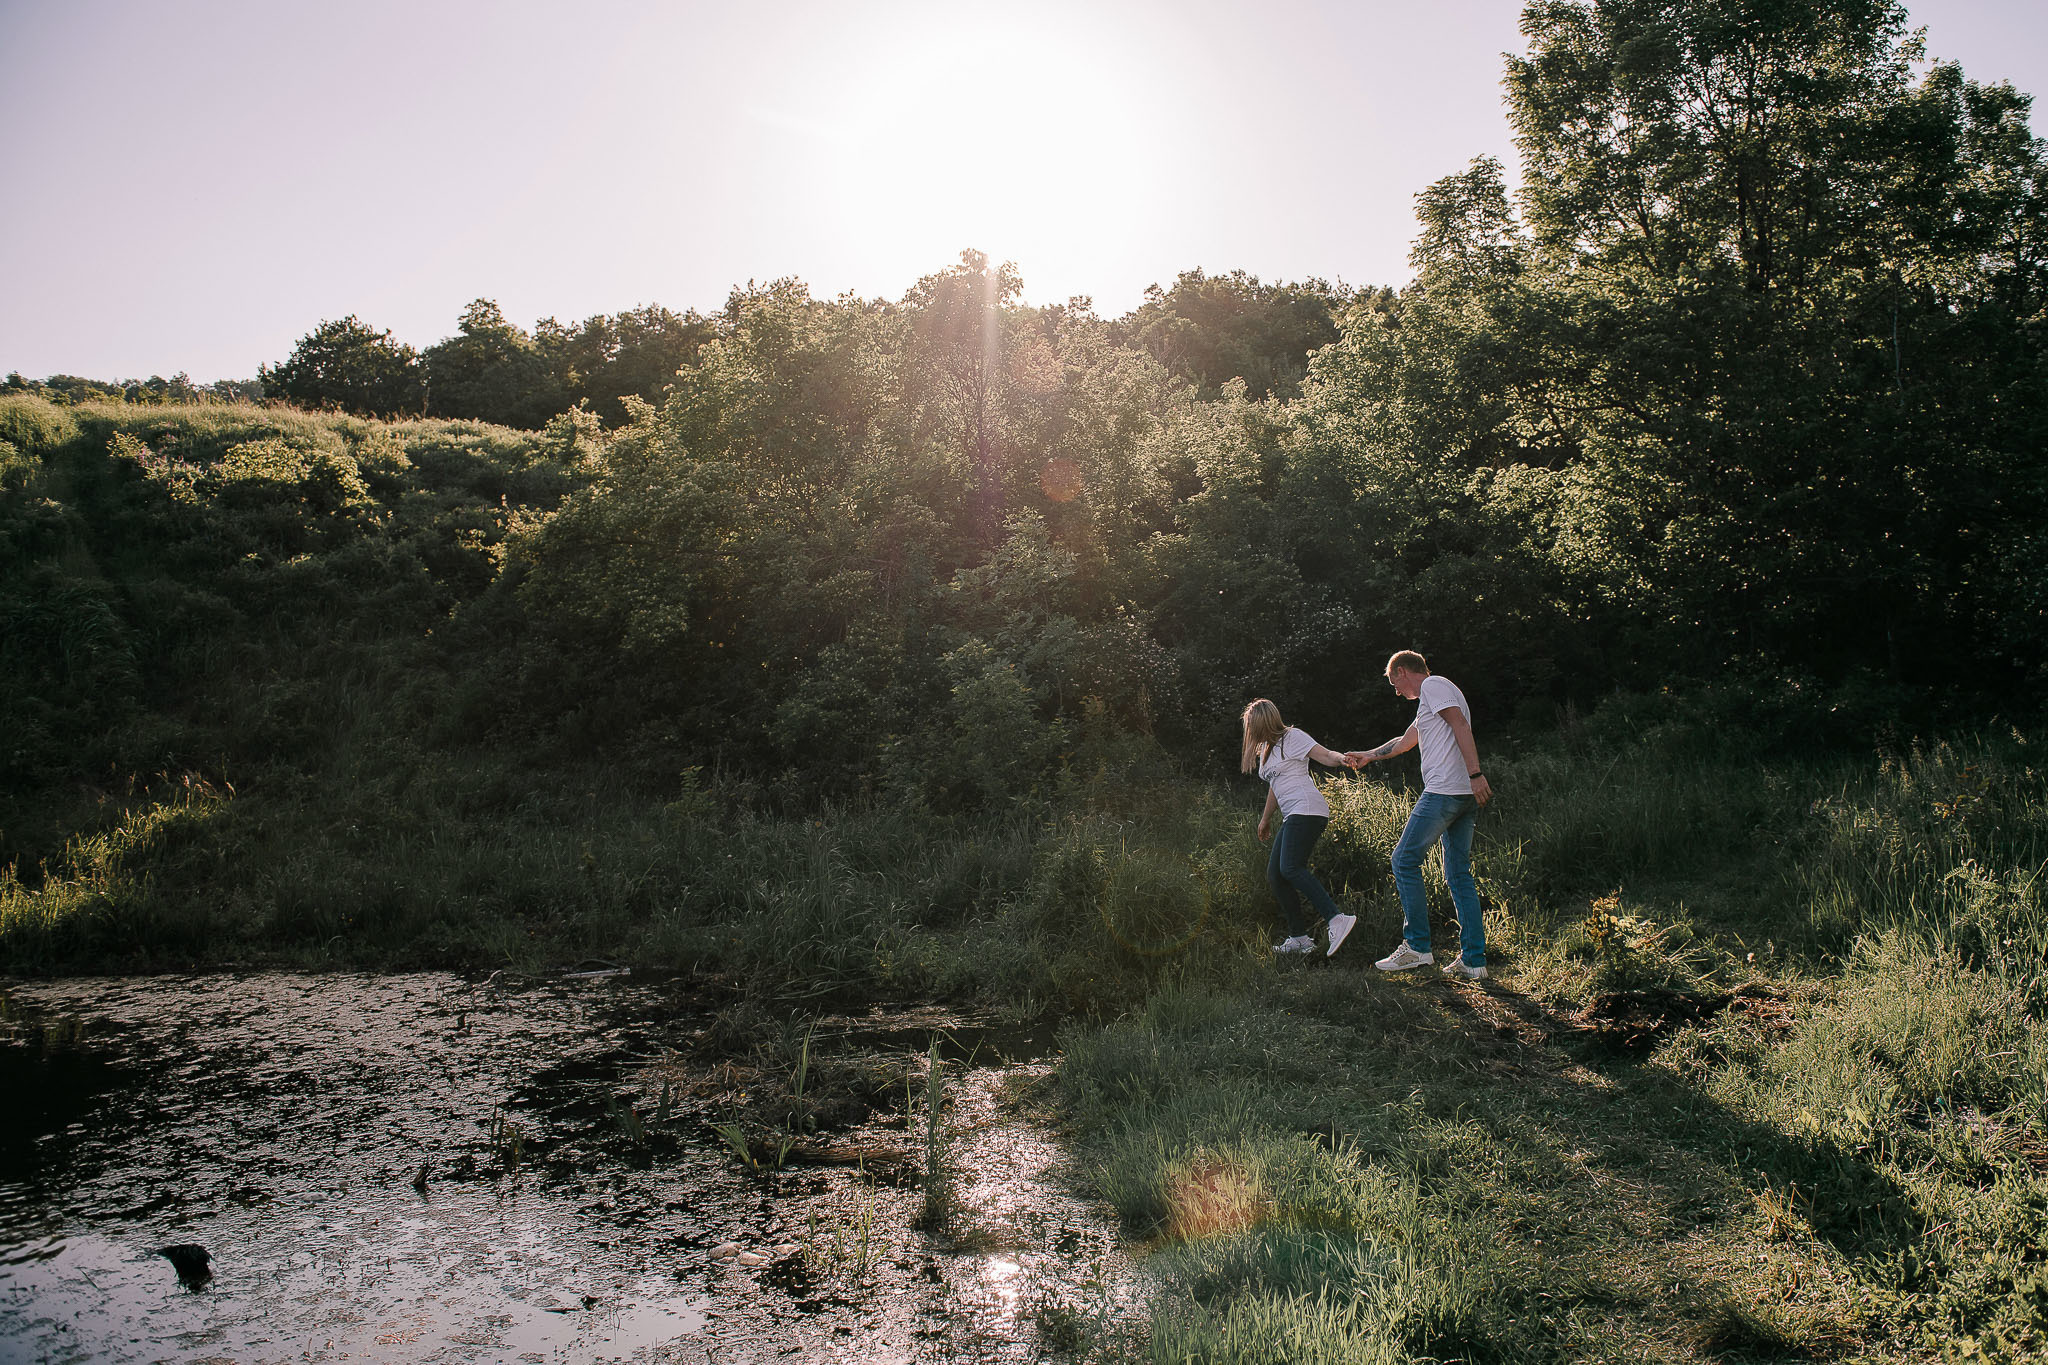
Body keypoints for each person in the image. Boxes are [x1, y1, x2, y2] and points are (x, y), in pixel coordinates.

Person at [1345, 652, 1493, 980]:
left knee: (1403, 861)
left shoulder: (1434, 686)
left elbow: (1460, 723)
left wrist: (1476, 773)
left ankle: (1417, 947)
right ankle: (1473, 960)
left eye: (1393, 682)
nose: (1395, 691)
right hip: (1462, 796)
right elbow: (1403, 743)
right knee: (1457, 874)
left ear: (1402, 671)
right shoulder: (1430, 701)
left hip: (1445, 792)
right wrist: (1369, 756)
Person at [1241, 698, 1359, 957]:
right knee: (1276, 874)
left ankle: (1337, 919)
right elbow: (1275, 785)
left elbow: (1325, 755)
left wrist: (1342, 758)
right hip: (1292, 815)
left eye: (1253, 725)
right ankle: (1300, 938)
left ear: (1264, 722)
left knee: (1291, 867)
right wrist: (1265, 819)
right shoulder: (1266, 751)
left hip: (1307, 809)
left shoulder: (1292, 737)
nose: (1250, 731)